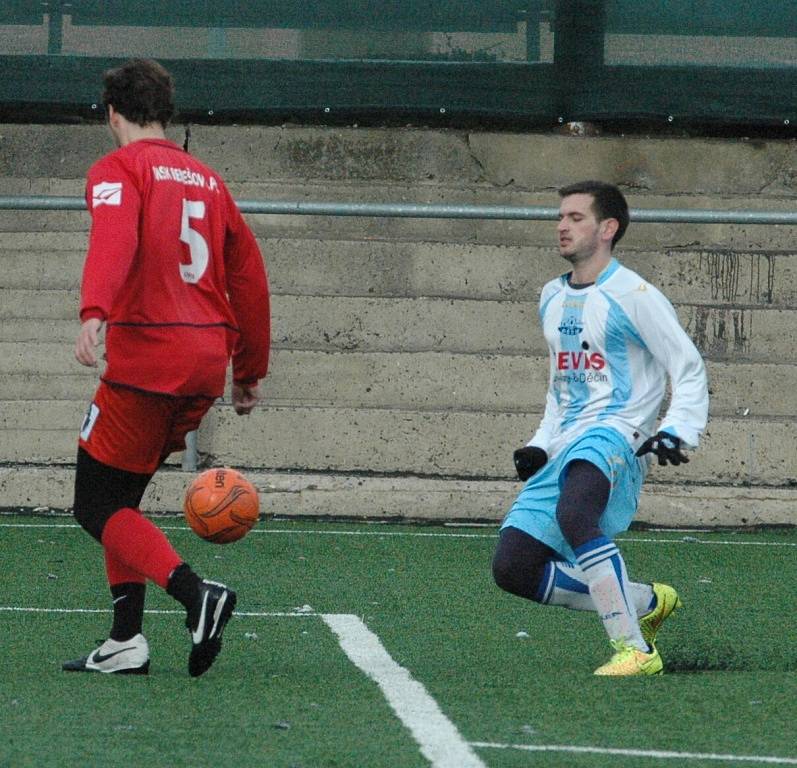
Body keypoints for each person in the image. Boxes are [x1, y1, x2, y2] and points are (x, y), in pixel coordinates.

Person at [62, 59, 270, 677]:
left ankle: (196, 595)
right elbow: (248, 274)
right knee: (121, 498)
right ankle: (126, 640)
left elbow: (116, 236)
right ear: (166, 114)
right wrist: (248, 367)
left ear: (112, 114)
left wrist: (94, 309)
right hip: (204, 361)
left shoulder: (117, 167)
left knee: (94, 507)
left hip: (147, 359)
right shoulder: (209, 179)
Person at [492, 180, 708, 676]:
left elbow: (687, 365)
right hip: (567, 441)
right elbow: (561, 386)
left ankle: (635, 648)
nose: (563, 226)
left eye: (576, 218)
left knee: (575, 513)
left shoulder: (635, 295)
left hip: (618, 435)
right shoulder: (551, 296)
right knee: (514, 568)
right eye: (560, 217)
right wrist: (539, 444)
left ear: (608, 229)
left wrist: (677, 430)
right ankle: (645, 601)